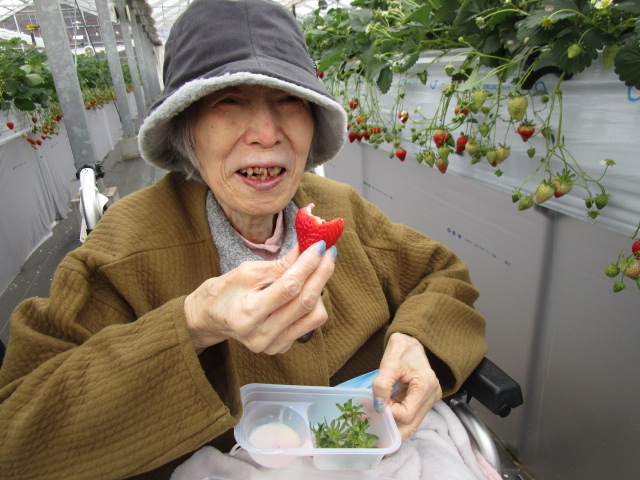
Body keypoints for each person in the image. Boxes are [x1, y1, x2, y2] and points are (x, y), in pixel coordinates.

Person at [0, 0, 487, 478]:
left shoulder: (340, 207)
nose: (266, 132)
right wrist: (193, 323)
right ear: (186, 126)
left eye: (289, 99)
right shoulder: (125, 249)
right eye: (229, 101)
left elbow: (443, 276)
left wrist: (414, 340)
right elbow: (18, 435)